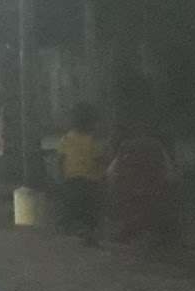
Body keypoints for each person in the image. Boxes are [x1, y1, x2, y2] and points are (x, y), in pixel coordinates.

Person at [110, 116, 178, 244]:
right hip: (153, 192)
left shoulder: (126, 146)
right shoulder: (157, 145)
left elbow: (112, 171)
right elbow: (170, 173)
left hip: (130, 193)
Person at [56, 102, 107, 245]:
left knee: (70, 208)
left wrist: (61, 178)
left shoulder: (66, 139)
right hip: (90, 183)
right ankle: (90, 231)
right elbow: (99, 160)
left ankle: (68, 227)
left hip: (71, 181)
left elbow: (60, 161)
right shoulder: (93, 140)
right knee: (92, 210)